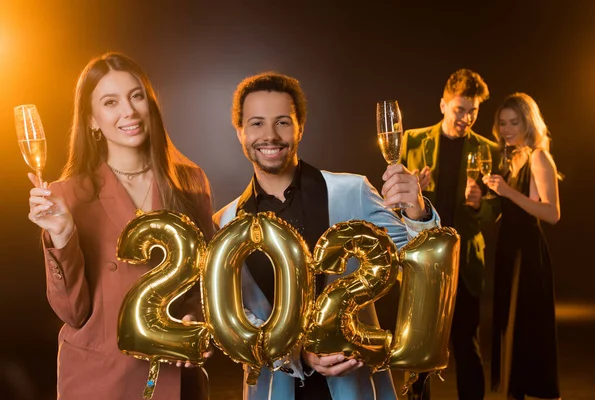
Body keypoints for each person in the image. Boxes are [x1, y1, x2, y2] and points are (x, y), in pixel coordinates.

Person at [213, 72, 441, 400]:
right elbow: (239, 318)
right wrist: (299, 354)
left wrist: (417, 212)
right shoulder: (226, 221)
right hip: (275, 389)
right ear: (240, 132)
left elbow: (421, 261)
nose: (270, 136)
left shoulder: (354, 191)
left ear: (300, 127)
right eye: (257, 123)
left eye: (282, 122)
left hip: (357, 387)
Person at [26, 52, 213, 400]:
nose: (128, 110)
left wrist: (194, 322)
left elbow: (204, 280)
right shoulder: (68, 195)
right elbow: (72, 312)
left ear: (150, 104)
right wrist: (63, 236)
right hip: (101, 380)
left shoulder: (190, 181)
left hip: (175, 377)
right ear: (92, 120)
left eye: (136, 96)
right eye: (110, 102)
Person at [400, 69, 500, 400]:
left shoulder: (488, 149)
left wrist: (477, 205)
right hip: (423, 259)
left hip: (465, 262)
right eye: (460, 110)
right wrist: (412, 195)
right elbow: (391, 200)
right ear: (443, 105)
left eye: (473, 111)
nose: (466, 118)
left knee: (466, 345)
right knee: (420, 346)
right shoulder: (412, 141)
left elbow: (494, 211)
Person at [483, 93, 560, 400]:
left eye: (514, 122)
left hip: (528, 253)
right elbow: (511, 209)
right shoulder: (509, 157)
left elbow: (552, 213)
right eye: (502, 123)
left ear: (528, 122)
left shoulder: (539, 157)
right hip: (508, 249)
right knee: (508, 328)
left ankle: (541, 392)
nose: (507, 129)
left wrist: (507, 192)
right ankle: (514, 392)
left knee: (529, 328)